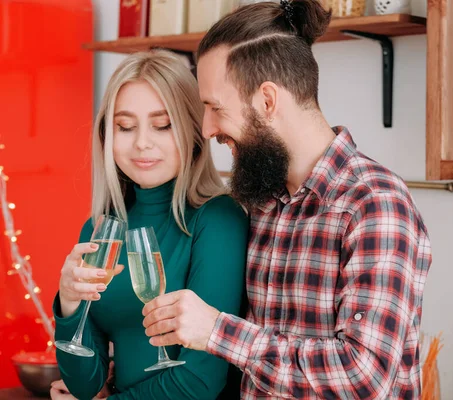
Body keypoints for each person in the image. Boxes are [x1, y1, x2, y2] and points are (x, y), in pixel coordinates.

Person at [142, 0, 433, 398]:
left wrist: (217, 331)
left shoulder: (374, 204)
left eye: (215, 108)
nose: (207, 128)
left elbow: (363, 376)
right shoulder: (261, 200)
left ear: (267, 101)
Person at [50, 50, 248, 400]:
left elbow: (200, 383)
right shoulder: (100, 230)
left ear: (192, 129)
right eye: (125, 127)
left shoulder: (218, 219)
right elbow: (85, 385)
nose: (142, 142)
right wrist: (68, 305)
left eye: (162, 125)